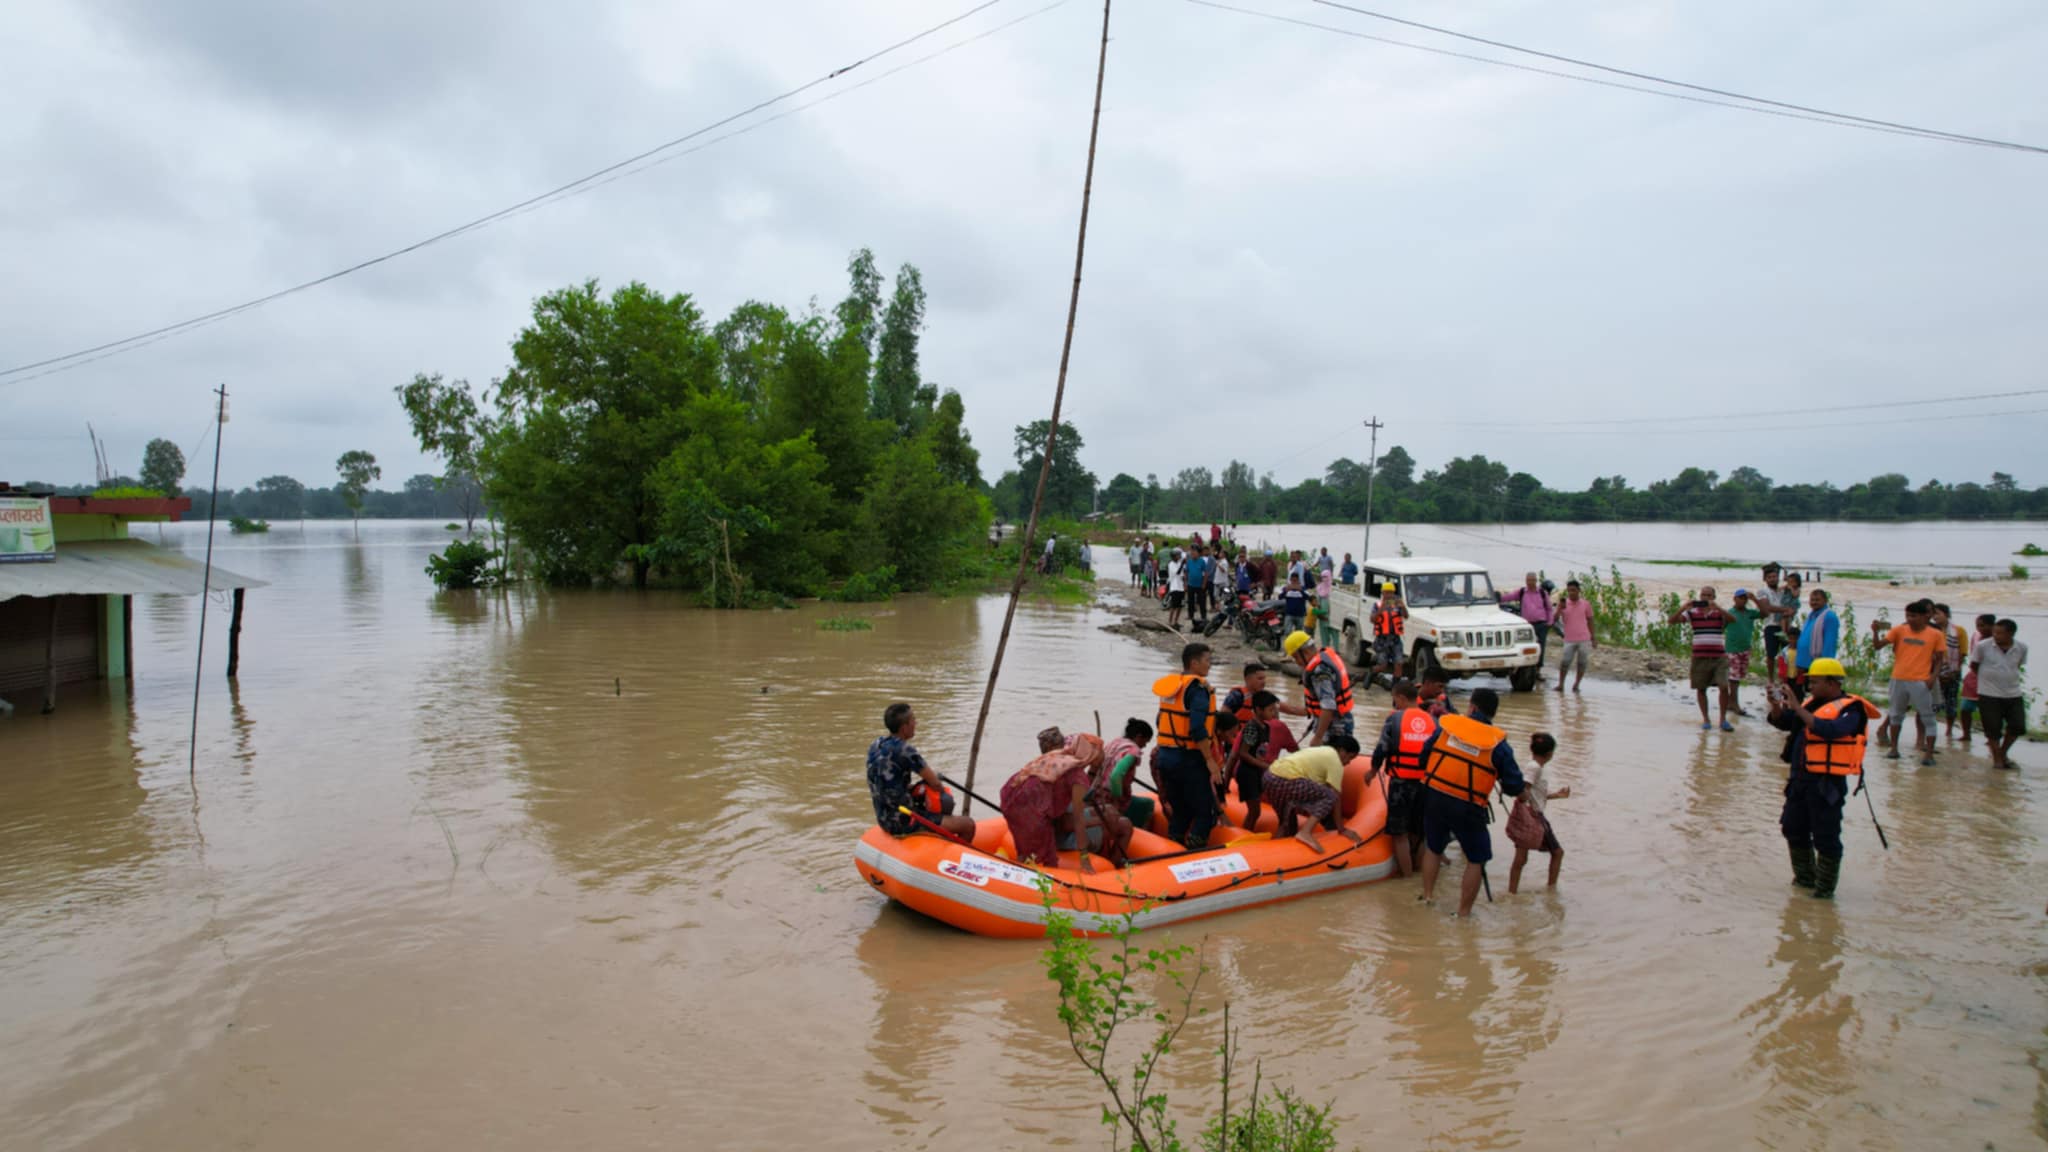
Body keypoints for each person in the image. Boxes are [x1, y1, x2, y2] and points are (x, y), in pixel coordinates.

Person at [1768, 658, 1880, 899]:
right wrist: (1776, 706)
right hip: (1799, 781)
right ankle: (1805, 880)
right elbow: (1785, 723)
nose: (1810, 687)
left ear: (1832, 683)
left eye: (1815, 682)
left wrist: (1797, 707)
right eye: (1809, 682)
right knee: (1792, 828)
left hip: (1826, 785)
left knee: (1826, 836)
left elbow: (1831, 731)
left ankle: (1825, 890)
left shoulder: (1852, 709)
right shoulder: (1810, 703)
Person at [1417, 688, 1528, 917]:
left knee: (1434, 847)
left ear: (1473, 707)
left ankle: (1427, 897)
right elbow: (1514, 786)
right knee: (1477, 858)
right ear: (1492, 713)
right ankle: (1463, 913)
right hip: (1468, 805)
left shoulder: (1447, 729)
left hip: (1435, 795)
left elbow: (1423, 757)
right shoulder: (1497, 743)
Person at [866, 702, 977, 840]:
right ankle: (952, 856)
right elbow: (936, 784)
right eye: (913, 720)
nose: (916, 723)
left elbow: (886, 781)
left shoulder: (876, 744)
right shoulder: (905, 750)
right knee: (968, 824)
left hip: (883, 817)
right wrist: (942, 796)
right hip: (903, 820)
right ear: (904, 727)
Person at [1001, 732, 1111, 870]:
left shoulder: (1060, 757)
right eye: (1101, 750)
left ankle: (1018, 872)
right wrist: (1084, 859)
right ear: (1092, 752)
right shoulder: (1077, 776)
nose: (1104, 755)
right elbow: (1079, 820)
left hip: (1010, 798)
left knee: (1026, 852)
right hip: (1031, 809)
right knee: (1046, 858)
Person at [1154, 642, 1223, 849]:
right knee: (1205, 813)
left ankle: (1173, 847)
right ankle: (1194, 853)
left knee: (1181, 811)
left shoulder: (1173, 686)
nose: (1210, 666)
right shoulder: (1198, 688)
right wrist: (1210, 760)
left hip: (1165, 756)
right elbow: (1197, 728)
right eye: (1207, 661)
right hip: (1188, 759)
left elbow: (1161, 720)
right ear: (1194, 663)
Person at [1365, 679, 1435, 877]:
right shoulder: (1432, 721)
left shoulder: (1394, 720)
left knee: (1399, 834)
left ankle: (1407, 877)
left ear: (1401, 698)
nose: (1394, 703)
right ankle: (1420, 874)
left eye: (1394, 699)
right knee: (1420, 833)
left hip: (1401, 782)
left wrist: (1372, 770)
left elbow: (1382, 749)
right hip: (1425, 784)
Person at [1264, 735, 1367, 852]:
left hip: (1270, 776)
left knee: (1287, 824)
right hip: (1287, 780)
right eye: (1350, 757)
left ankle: (1274, 852)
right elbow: (1335, 796)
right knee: (1330, 796)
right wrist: (1341, 829)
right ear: (1342, 751)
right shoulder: (1335, 759)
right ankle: (1305, 832)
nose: (1348, 762)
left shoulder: (1321, 751)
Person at [1873, 599, 1943, 766]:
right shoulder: (1899, 630)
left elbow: (1940, 659)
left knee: (1928, 716)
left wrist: (1933, 677)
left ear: (1924, 617)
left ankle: (1928, 754)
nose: (1910, 619)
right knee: (1896, 714)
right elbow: (1878, 646)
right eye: (1908, 615)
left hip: (1920, 680)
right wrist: (1875, 632)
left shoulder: (1935, 634)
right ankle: (1894, 748)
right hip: (1899, 678)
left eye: (1914, 616)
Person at [1507, 731, 1571, 894]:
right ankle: (1551, 890)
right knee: (1557, 852)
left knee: (1521, 858)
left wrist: (1556, 795)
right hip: (1534, 816)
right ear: (1550, 754)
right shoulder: (1534, 768)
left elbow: (1533, 795)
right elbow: (1525, 791)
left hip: (1530, 814)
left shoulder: (1534, 766)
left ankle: (1512, 892)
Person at [1668, 586, 1733, 731]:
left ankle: (1723, 719)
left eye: (1709, 595)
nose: (1705, 598)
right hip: (1699, 656)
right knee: (1701, 688)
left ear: (1714, 597)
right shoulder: (1692, 612)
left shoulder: (1718, 612)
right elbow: (1671, 621)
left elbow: (1732, 619)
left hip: (1719, 656)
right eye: (1703, 595)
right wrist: (1683, 607)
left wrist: (1718, 608)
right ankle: (1706, 719)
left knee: (1723, 686)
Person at [1969, 619, 2028, 771]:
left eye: (2000, 633)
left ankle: (2002, 753)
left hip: (2013, 693)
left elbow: (2018, 665)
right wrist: (1986, 680)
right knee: (1992, 728)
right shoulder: (1983, 646)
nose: (1996, 635)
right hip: (1989, 693)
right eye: (1995, 632)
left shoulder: (2021, 648)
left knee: (2018, 726)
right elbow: (1974, 665)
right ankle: (1997, 760)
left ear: (2011, 634)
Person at [1223, 692, 1284, 830]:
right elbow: (1243, 753)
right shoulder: (1252, 728)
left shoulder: (1266, 727)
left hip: (1257, 772)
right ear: (1258, 710)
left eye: (1275, 709)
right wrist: (1264, 765)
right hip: (1247, 773)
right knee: (1254, 811)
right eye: (1271, 710)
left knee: (1258, 809)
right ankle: (1245, 833)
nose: (1274, 713)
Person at [1285, 629, 1355, 745]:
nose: (1296, 662)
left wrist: (1318, 737)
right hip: (1340, 721)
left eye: (1296, 657)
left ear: (1305, 652)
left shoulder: (1319, 671)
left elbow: (1328, 706)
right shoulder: (1325, 656)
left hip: (1335, 728)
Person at [1101, 718, 1157, 830]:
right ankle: (1142, 835)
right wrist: (1116, 801)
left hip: (1099, 793)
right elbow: (1116, 776)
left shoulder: (1115, 742)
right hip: (1110, 798)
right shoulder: (1133, 751)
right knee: (1149, 804)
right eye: (1145, 742)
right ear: (1139, 737)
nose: (1144, 746)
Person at [1550, 578, 1596, 692]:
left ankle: (1576, 684)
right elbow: (1554, 620)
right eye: (1569, 590)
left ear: (1579, 591)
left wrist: (1593, 637)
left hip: (1584, 638)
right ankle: (1561, 684)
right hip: (1569, 639)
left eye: (1574, 590)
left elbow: (1590, 620)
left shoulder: (1585, 604)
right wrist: (1559, 608)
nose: (1571, 593)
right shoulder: (1564, 604)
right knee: (1565, 662)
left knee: (1582, 663)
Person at [1725, 589, 1765, 716]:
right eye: (1740, 598)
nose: (1743, 600)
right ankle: (1734, 704)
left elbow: (1765, 613)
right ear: (1734, 599)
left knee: (1738, 677)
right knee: (1734, 678)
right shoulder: (1729, 613)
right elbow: (1721, 627)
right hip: (1732, 649)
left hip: (1745, 649)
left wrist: (1755, 599)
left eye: (1744, 598)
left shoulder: (1750, 613)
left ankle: (1730, 702)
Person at [1930, 603, 1968, 739]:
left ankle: (1949, 729)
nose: (1935, 617)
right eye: (1933, 614)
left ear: (1947, 614)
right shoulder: (1932, 630)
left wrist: (1955, 672)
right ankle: (1931, 729)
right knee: (1932, 702)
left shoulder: (1959, 631)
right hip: (1934, 672)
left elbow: (1962, 653)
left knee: (1951, 702)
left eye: (1937, 613)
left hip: (1953, 672)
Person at [1221, 663, 1306, 722]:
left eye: (1264, 678)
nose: (1264, 682)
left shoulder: (1267, 697)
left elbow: (1291, 709)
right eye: (1260, 679)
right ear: (1248, 679)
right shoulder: (1237, 696)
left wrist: (1313, 712)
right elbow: (1223, 718)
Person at [1792, 587, 1839, 694]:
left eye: (1817, 600)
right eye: (1812, 600)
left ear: (1825, 601)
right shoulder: (1812, 615)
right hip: (1804, 663)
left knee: (1816, 693)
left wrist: (1824, 666)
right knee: (1801, 692)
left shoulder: (1829, 617)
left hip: (1817, 665)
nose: (1814, 602)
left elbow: (1829, 643)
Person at [1960, 612, 1997, 743]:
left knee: (1988, 710)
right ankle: (1966, 733)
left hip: (1990, 678)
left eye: (1982, 626)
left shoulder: (1997, 640)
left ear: (1992, 626)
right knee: (1965, 707)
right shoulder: (1976, 636)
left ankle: (1990, 736)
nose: (1979, 629)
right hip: (1974, 674)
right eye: (1977, 626)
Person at [1759, 563, 1799, 682]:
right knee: (1771, 654)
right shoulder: (1763, 591)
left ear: (1778, 578)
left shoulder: (1783, 590)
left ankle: (1787, 678)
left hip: (1786, 625)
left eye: (1774, 576)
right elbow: (1767, 607)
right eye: (1769, 577)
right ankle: (1771, 678)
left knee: (1788, 653)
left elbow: (1794, 601)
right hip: (1771, 626)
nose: (1772, 579)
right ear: (1765, 579)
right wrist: (1785, 609)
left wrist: (1792, 611)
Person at [1504, 572, 1554, 664]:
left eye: (1532, 580)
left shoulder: (1542, 593)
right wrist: (1497, 598)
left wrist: (1549, 623)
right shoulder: (1522, 592)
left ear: (1536, 581)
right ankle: (1526, 667)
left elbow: (1549, 608)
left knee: (1540, 647)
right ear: (1526, 581)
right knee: (1526, 647)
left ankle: (1538, 670)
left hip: (1541, 625)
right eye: (1528, 580)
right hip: (1527, 625)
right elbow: (1509, 597)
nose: (1530, 582)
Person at [1370, 582, 1407, 683]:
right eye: (1387, 593)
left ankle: (1395, 687)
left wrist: (1403, 607)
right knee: (1382, 666)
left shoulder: (1397, 605)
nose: (1389, 595)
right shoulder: (1377, 605)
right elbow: (1373, 619)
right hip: (1382, 639)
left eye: (1391, 593)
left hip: (1395, 638)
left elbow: (1405, 616)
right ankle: (1370, 675)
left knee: (1399, 663)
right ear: (1382, 593)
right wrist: (1381, 609)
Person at [1184, 546, 1210, 629]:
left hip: (1200, 585)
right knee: (1190, 601)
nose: (1192, 554)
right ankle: (1190, 615)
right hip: (1190, 584)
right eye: (1191, 553)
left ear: (1198, 554)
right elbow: (1186, 573)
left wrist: (1204, 584)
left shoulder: (1202, 561)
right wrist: (1185, 583)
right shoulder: (1189, 562)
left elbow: (1206, 573)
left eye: (1194, 553)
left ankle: (1203, 616)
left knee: (1202, 601)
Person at [1279, 574, 1310, 638]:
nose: (1294, 582)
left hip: (1300, 614)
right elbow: (1280, 597)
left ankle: (1297, 646)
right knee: (1287, 632)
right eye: (1293, 580)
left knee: (1298, 633)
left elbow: (1308, 597)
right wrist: (1286, 591)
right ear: (1290, 580)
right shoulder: (1286, 588)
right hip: (1289, 613)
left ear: (1298, 580)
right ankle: (1288, 646)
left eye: (1296, 580)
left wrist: (1301, 591)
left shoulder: (1303, 588)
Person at [1165, 549, 1187, 629]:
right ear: (1174, 556)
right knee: (1173, 606)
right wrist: (1182, 564)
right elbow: (1177, 572)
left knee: (1180, 606)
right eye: (1177, 555)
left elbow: (1182, 575)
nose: (1179, 556)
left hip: (1180, 587)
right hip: (1174, 587)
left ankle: (1176, 621)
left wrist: (1185, 584)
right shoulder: (1171, 564)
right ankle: (1170, 622)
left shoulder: (1178, 563)